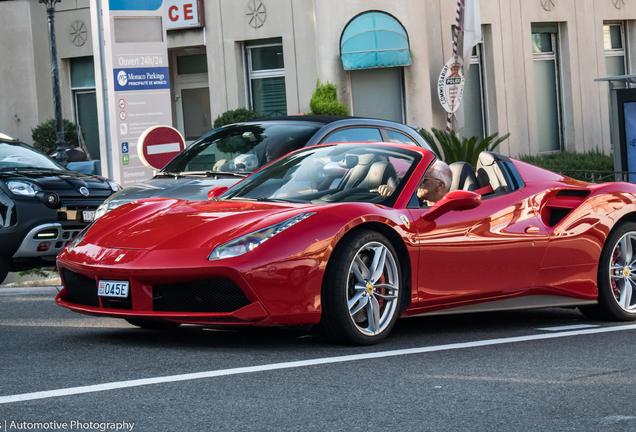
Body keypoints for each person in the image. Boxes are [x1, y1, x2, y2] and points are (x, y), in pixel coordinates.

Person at [378, 159, 452, 206]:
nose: (419, 182)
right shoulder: (416, 202)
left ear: (439, 185)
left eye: (424, 179)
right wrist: (394, 194)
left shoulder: (449, 212)